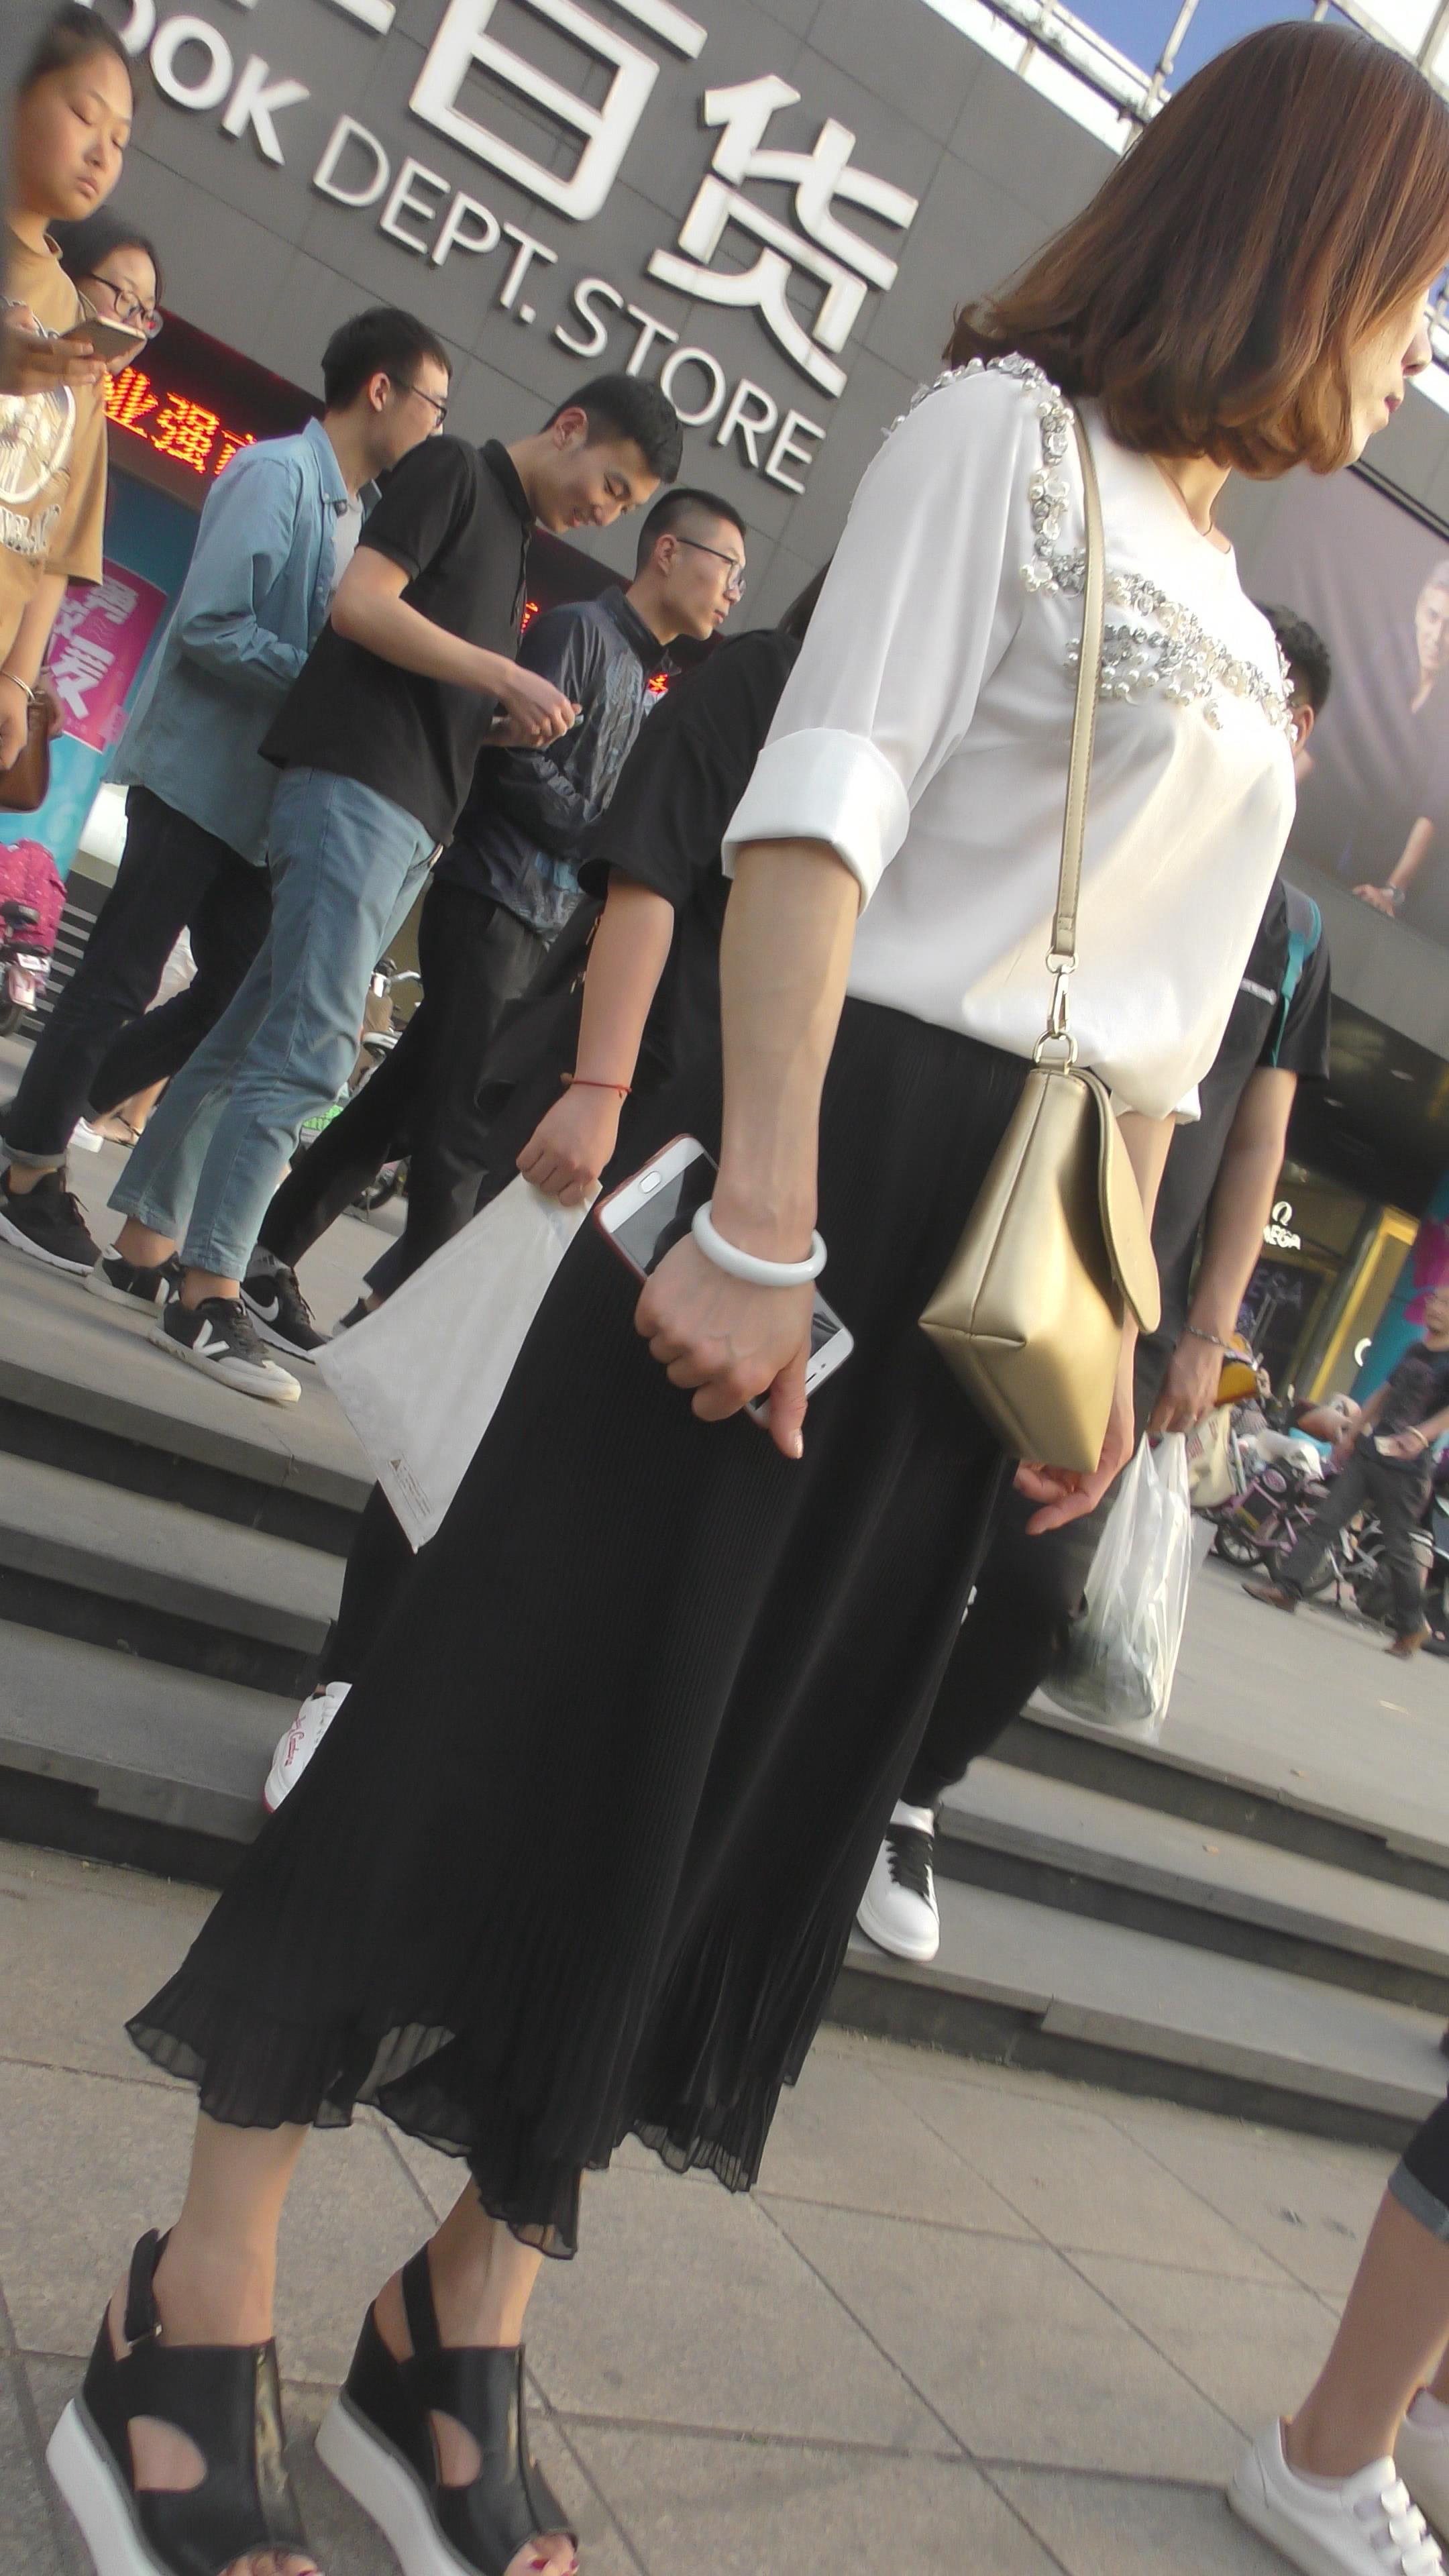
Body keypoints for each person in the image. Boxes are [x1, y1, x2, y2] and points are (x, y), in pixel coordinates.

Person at [45, 30, 1445, 2576]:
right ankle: (195, 2298)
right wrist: (763, 1218)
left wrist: (1113, 1341)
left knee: (734, 1797)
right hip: (824, 1176)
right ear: (1303, 247)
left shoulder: (1242, 614)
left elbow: (1156, 1038)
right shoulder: (1002, 441)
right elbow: (816, 820)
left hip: (1002, 1271)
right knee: (507, 1705)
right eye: (1413, 283)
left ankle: (454, 2326)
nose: (1411, 349)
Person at [265, 570, 825, 1809]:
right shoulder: (766, 684)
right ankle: (347, 1678)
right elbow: (647, 880)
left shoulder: (913, 760)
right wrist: (601, 1088)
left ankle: (456, 1720)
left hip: (753, 1168)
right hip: (639, 1105)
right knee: (475, 1407)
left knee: (602, 1457)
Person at [857, 609, 1334, 1964]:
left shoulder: (1295, 933)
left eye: (1283, 713)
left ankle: (910, 1793)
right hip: (974, 1224)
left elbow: (1254, 1140)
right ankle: (820, 1755)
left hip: (1118, 1306)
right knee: (884, 1512)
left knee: (1034, 1591)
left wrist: (1206, 1330)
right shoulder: (1118, 809)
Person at [91, 373, 680, 1404]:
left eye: (627, 505)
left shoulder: (511, 535)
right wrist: (501, 677)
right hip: (359, 791)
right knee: (315, 1047)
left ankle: (148, 1244)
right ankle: (207, 1290)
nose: (607, 512)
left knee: (254, 1026)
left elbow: (421, 674)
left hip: (402, 810)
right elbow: (359, 603)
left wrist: (494, 723)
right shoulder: (455, 471)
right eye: (613, 485)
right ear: (569, 427)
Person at [243, 485, 747, 1360]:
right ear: (669, 552)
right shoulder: (577, 634)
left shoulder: (638, 673)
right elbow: (512, 764)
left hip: (532, 919)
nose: (734, 591)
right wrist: (610, 840)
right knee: (461, 1132)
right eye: (727, 567)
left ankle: (266, 1255)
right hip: (491, 897)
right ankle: (409, 1340)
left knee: (402, 1106)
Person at [0, 303, 451, 1274]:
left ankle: (38, 1119)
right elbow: (211, 625)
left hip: (258, 809)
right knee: (121, 976)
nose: (438, 427)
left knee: (234, 999)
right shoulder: (275, 475)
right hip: (194, 779)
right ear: (381, 390)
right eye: (434, 405)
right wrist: (327, 686)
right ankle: (26, 1170)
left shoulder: (357, 518)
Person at [1, 9, 131, 784]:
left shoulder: (78, 331)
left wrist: (17, 679)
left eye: (120, 139)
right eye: (85, 114)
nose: (102, 153)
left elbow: (52, 543)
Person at [1244, 1282, 1449, 1656]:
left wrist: (1422, 1436)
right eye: (1435, 1299)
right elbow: (1384, 1394)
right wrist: (1351, 1435)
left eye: (1445, 1304)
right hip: (1372, 1452)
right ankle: (1287, 1589)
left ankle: (1412, 1625)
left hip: (1405, 1469)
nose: (1435, 1306)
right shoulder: (1415, 1349)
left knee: (1398, 1548)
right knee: (1325, 1520)